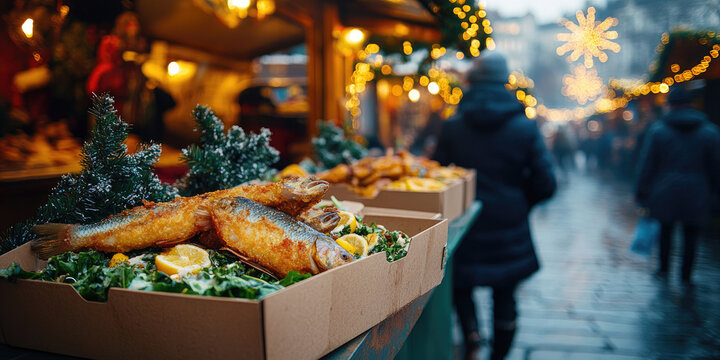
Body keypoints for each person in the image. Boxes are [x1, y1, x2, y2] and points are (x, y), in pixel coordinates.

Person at [433, 52, 556, 360]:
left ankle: (472, 338)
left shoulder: (453, 126)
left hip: (465, 220)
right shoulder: (524, 127)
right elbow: (547, 183)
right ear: (505, 81)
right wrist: (520, 200)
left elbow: (437, 176)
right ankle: (499, 355)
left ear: (472, 81)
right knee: (505, 293)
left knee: (461, 285)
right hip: (509, 222)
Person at [635, 85, 720, 285]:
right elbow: (716, 166)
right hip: (697, 190)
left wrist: (641, 192)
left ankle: (663, 269)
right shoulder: (710, 132)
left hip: (665, 190)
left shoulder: (658, 131)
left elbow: (647, 165)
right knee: (691, 233)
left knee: (666, 230)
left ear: (670, 106)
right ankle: (686, 275)